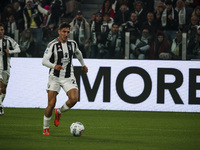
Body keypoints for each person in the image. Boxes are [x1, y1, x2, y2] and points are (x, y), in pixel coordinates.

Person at [42, 22, 88, 135]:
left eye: (68, 32)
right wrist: (54, 66)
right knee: (51, 104)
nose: (66, 34)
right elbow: (44, 61)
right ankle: (45, 128)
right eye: (64, 32)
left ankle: (59, 111)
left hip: (68, 76)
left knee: (74, 99)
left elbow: (78, 53)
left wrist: (83, 65)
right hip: (55, 77)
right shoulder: (52, 44)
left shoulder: (72, 44)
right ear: (59, 32)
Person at [0, 23, 21, 115]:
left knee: (3, 89)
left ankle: (1, 104)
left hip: (6, 67)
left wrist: (10, 51)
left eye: (1, 30)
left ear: (4, 31)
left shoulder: (8, 40)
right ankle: (0, 106)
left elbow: (18, 49)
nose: (0, 32)